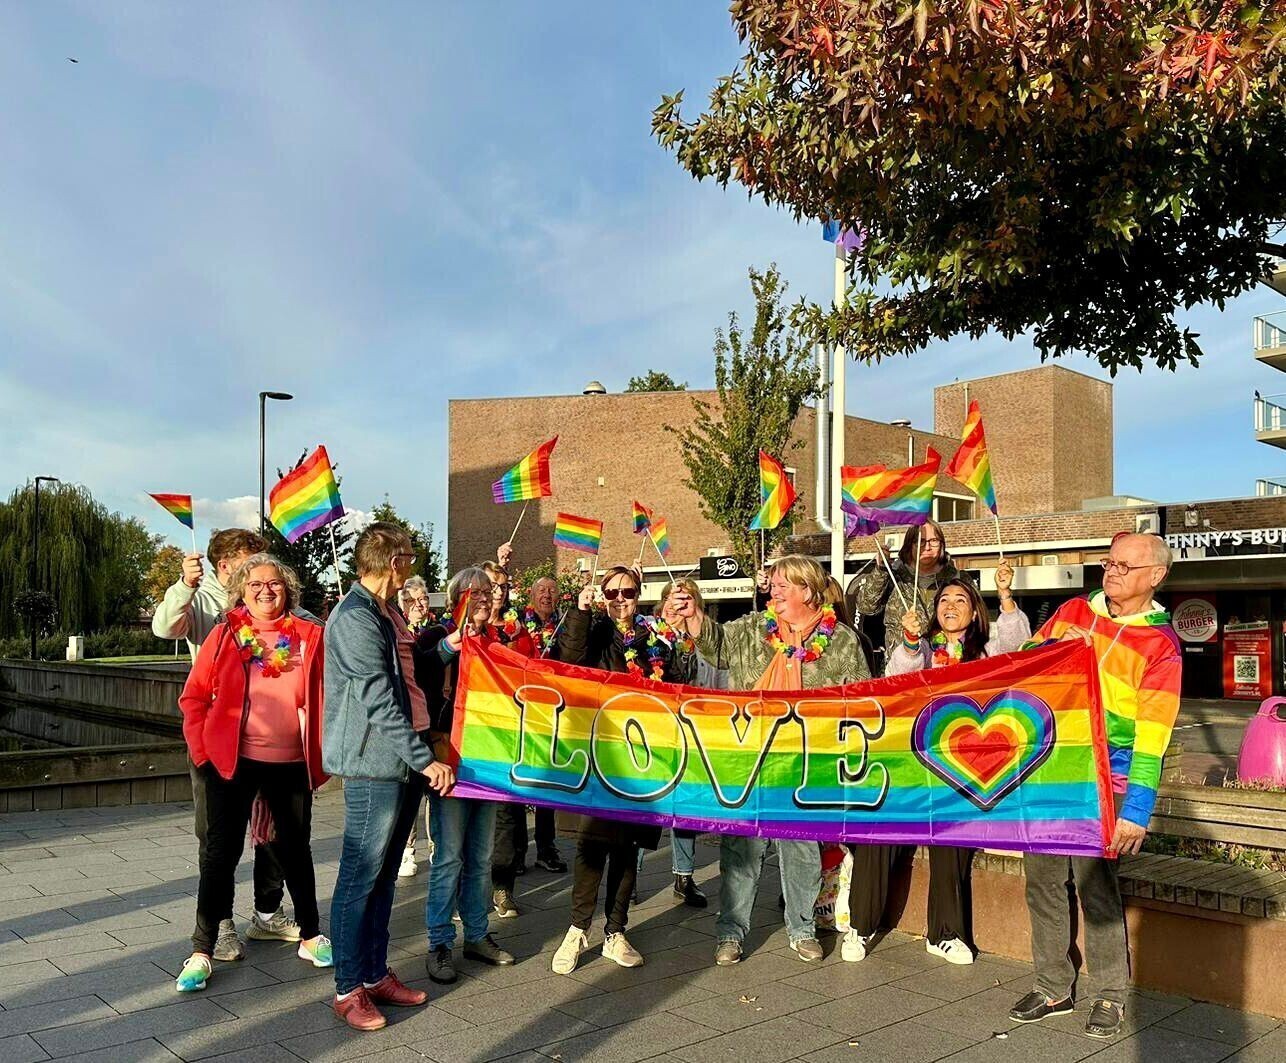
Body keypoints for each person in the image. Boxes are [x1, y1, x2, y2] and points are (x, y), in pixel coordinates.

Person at [1009, 533, 1181, 1039]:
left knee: (1095, 888)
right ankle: (1052, 985)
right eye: (1109, 562)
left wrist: (1137, 809)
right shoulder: (1072, 611)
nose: (1113, 572)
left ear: (1156, 576)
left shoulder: (1162, 646)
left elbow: (1154, 736)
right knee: (1041, 883)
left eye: (1126, 566)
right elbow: (1023, 662)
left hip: (1109, 783)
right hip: (1050, 770)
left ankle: (1110, 993)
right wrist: (1053, 649)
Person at [675, 555, 869, 966]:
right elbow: (718, 645)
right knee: (741, 850)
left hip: (809, 763)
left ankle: (801, 929)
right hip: (752, 756)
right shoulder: (752, 629)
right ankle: (730, 932)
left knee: (802, 851)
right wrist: (694, 617)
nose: (773, 591)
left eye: (784, 585)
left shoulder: (842, 641)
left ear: (809, 591)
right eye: (773, 585)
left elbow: (862, 704)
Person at [847, 564, 1029, 966]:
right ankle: (861, 925)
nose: (950, 606)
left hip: (967, 770)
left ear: (975, 611)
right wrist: (911, 640)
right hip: (914, 763)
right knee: (878, 829)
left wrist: (1005, 595)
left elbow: (1019, 645)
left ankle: (945, 933)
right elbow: (897, 677)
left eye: (960, 600)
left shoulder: (988, 648)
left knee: (951, 840)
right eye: (943, 600)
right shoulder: (925, 649)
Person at [174, 554, 330, 992]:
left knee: (295, 849)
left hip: (290, 761)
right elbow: (194, 698)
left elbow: (329, 693)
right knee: (220, 854)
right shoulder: (225, 634)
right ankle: (202, 950)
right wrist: (203, 753)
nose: (266, 590)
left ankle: (311, 934)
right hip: (231, 762)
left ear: (288, 590)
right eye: (256, 583)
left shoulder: (310, 636)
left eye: (275, 583)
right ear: (242, 591)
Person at [325, 523, 454, 1032]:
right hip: (375, 763)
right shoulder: (356, 617)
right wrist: (425, 760)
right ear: (395, 561)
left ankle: (375, 975)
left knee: (380, 878)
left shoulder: (387, 611)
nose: (415, 566)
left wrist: (448, 647)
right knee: (360, 876)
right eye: (412, 557)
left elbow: (408, 669)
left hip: (401, 760)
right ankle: (346, 987)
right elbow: (378, 699)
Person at [152, 528, 297, 960]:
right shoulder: (204, 604)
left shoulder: (275, 605)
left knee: (271, 828)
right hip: (222, 738)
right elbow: (164, 627)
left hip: (270, 737)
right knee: (217, 836)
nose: (261, 575)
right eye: (251, 563)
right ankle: (220, 923)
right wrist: (184, 585)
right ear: (225, 567)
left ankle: (268, 913)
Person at [550, 566, 674, 975]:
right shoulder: (597, 630)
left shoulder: (655, 638)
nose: (621, 599)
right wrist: (582, 612)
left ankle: (616, 931)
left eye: (628, 592)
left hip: (641, 757)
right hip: (599, 753)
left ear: (638, 594)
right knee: (591, 844)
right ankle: (577, 928)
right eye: (612, 592)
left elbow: (673, 686)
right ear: (603, 595)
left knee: (627, 846)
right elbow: (569, 660)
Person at [416, 566, 524, 983]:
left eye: (488, 591)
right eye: (473, 591)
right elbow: (419, 672)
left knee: (480, 858)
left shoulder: (497, 642)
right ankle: (440, 943)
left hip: (490, 764)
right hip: (452, 762)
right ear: (457, 596)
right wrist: (449, 647)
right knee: (448, 858)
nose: (483, 597)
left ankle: (477, 935)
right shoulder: (435, 635)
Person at [643, 578, 717, 909]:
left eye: (686, 600)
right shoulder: (645, 634)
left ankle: (683, 877)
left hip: (691, 731)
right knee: (645, 805)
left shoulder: (701, 641)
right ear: (662, 603)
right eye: (674, 598)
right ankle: (629, 874)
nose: (678, 606)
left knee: (684, 807)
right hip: (651, 730)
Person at [848, 520, 961, 675]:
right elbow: (865, 606)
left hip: (946, 670)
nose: (927, 547)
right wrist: (881, 570)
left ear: (941, 544)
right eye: (920, 541)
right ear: (910, 545)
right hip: (900, 672)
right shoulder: (893, 576)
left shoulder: (957, 580)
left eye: (933, 541)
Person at [397, 576, 436, 881]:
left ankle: (436, 845)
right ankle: (407, 848)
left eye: (423, 598)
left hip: (434, 715)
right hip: (408, 719)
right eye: (412, 600)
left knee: (432, 791)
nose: (420, 604)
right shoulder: (397, 631)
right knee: (408, 789)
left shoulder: (437, 630)